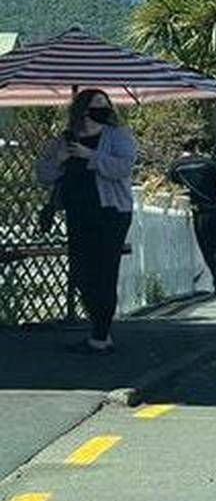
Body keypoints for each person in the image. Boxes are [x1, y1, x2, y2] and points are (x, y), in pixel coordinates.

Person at [35, 89, 137, 355]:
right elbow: (43, 174)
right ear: (82, 109)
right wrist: (61, 159)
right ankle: (99, 328)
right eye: (95, 105)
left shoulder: (117, 136)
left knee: (105, 271)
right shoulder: (65, 139)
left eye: (105, 105)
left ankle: (100, 336)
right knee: (81, 272)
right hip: (78, 212)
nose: (101, 110)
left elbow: (123, 168)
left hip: (111, 212)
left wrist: (90, 156)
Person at [167, 137, 216, 296]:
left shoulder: (175, 167)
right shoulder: (207, 163)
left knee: (207, 247)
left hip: (198, 211)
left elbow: (173, 188)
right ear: (196, 147)